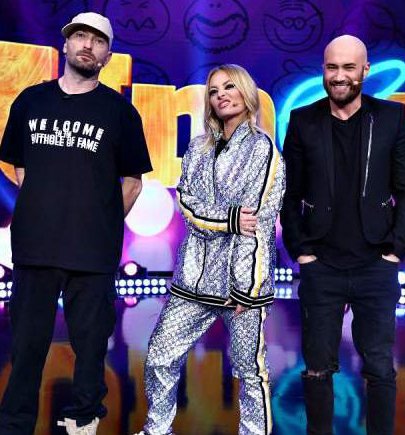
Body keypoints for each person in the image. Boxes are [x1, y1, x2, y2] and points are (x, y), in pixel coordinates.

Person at [0, 12, 152, 435]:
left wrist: (98, 221)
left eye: (98, 41)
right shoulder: (31, 100)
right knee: (26, 346)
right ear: (65, 45)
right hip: (36, 245)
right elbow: (21, 168)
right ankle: (14, 425)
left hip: (92, 251)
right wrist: (48, 207)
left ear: (107, 56)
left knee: (91, 346)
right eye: (80, 37)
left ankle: (84, 419)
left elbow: (133, 182)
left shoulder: (120, 112)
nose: (87, 45)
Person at [136, 64, 285, 435]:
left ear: (246, 92)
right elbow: (186, 204)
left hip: (242, 286)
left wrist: (247, 288)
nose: (221, 95)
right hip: (192, 279)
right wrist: (230, 218)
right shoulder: (197, 148)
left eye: (229, 87)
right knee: (159, 356)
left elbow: (257, 223)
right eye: (214, 91)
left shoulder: (262, 149)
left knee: (250, 371)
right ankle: (157, 430)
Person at [280, 35, 405, 435]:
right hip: (321, 263)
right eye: (332, 67)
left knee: (380, 366)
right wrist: (301, 251)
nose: (339, 76)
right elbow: (288, 192)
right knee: (317, 368)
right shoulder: (303, 120)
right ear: (323, 69)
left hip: (376, 262)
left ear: (365, 70)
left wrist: (395, 251)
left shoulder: (391, 117)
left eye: (348, 67)